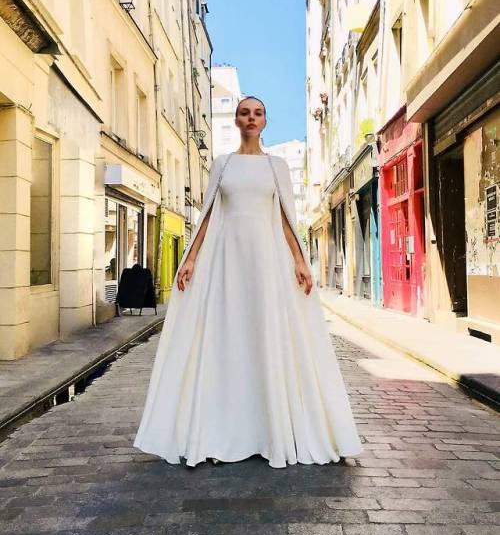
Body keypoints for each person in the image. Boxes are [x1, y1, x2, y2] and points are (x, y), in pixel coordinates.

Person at [133, 96, 362, 469]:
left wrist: (300, 261)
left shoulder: (277, 167)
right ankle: (221, 428)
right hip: (227, 261)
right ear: (236, 121)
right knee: (229, 337)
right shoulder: (222, 165)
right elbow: (207, 214)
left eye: (257, 113)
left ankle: (271, 428)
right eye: (244, 113)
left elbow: (287, 217)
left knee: (266, 334)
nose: (251, 118)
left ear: (265, 122)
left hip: (266, 262)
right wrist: (190, 258)